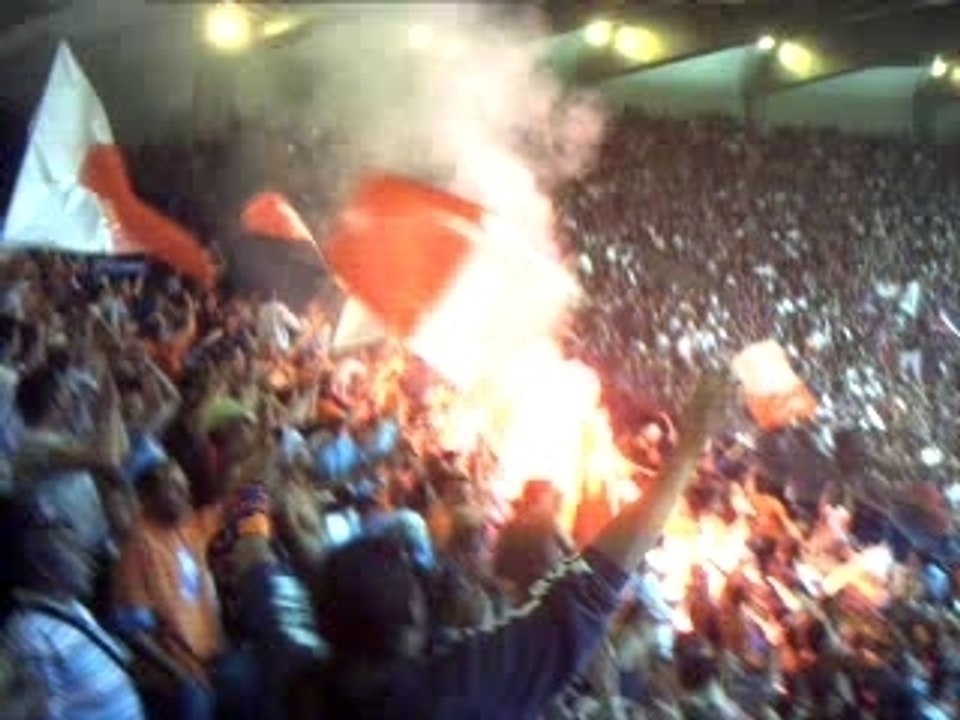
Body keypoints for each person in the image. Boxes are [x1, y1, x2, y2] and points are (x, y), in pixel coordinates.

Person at [296, 371, 728, 720]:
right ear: (412, 616)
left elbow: (256, 550)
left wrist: (260, 487)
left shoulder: (292, 670)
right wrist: (685, 456)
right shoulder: (459, 688)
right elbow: (583, 590)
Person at [1, 496, 145, 719]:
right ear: (37, 559)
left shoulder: (72, 607)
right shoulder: (32, 635)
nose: (85, 554)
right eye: (64, 538)